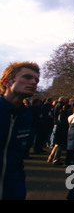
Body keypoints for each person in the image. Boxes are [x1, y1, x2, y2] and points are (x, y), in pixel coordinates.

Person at [0, 61, 40, 200]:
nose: (34, 82)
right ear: (7, 82)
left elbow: (18, 160)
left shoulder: (26, 116)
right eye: (28, 77)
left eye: (36, 79)